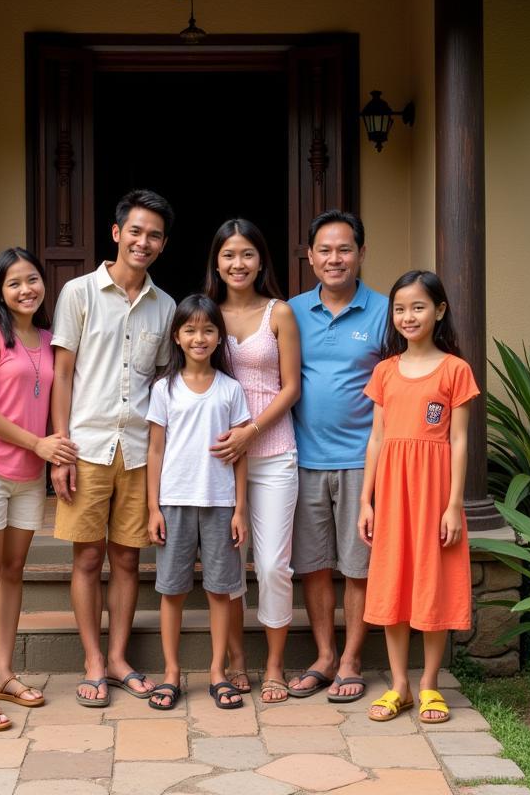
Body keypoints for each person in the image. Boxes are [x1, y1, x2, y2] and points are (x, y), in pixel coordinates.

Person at [50, 189, 176, 707]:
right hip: (87, 444)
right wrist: (59, 449)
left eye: (155, 235)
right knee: (86, 558)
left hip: (139, 450)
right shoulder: (78, 293)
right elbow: (62, 374)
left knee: (128, 560)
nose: (143, 242)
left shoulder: (165, 306)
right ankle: (92, 660)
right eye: (136, 231)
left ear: (163, 244)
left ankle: (120, 657)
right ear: (116, 232)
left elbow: (164, 380)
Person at [0, 247, 78, 731]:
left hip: (29, 475)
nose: (26, 289)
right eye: (14, 283)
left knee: (12, 571)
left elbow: (55, 398)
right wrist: (38, 444)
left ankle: (4, 673)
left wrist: (51, 453)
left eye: (32, 280)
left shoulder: (49, 339)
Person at [359, 270, 477, 725]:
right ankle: (399, 686)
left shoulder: (455, 370)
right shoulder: (385, 371)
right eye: (400, 308)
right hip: (391, 493)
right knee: (392, 583)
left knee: (432, 582)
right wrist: (366, 501)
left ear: (440, 311)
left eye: (418, 306)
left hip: (433, 495)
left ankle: (429, 685)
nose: (408, 316)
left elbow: (460, 442)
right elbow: (376, 439)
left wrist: (454, 504)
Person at [287, 210, 388, 702]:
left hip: (361, 462)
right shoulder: (290, 311)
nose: (334, 259)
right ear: (310, 257)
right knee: (313, 564)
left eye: (344, 249)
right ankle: (325, 656)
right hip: (302, 458)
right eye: (324, 250)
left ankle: (351, 660)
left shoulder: (387, 311)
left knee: (357, 564)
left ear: (361, 253)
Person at [204, 219, 301, 704]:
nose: (237, 264)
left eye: (246, 254)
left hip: (274, 452)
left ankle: (276, 665)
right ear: (216, 262)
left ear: (261, 260)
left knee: (272, 564)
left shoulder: (278, 313)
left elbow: (291, 387)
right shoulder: (207, 315)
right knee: (228, 564)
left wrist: (252, 430)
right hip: (221, 458)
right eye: (228, 255)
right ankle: (237, 659)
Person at [146, 294, 251, 711]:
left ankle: (217, 672)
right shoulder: (164, 389)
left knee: (220, 590)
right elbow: (156, 451)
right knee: (171, 590)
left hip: (221, 502)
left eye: (208, 329)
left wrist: (241, 508)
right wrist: (153, 507)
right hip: (173, 501)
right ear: (177, 336)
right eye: (190, 329)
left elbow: (239, 451)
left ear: (219, 337)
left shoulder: (231, 389)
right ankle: (171, 673)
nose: (199, 337)